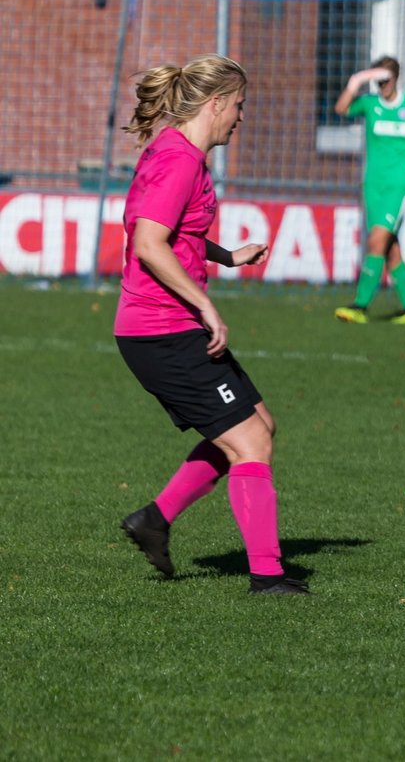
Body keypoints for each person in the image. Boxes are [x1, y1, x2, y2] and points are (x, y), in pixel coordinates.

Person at [115, 53, 308, 596]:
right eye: (239, 106)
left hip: (161, 325)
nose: (240, 118)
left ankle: (154, 520)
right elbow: (150, 244)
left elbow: (173, 230)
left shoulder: (173, 151)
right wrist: (205, 303)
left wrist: (225, 257)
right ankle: (267, 577)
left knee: (259, 426)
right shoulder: (180, 160)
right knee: (249, 442)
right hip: (163, 328)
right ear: (216, 102)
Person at [333, 56, 405, 325]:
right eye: (377, 81)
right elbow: (341, 108)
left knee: (376, 241)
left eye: (386, 80)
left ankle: (360, 306)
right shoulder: (370, 105)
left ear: (396, 78)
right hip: (373, 186)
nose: (382, 86)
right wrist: (356, 81)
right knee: (390, 249)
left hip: (399, 185)